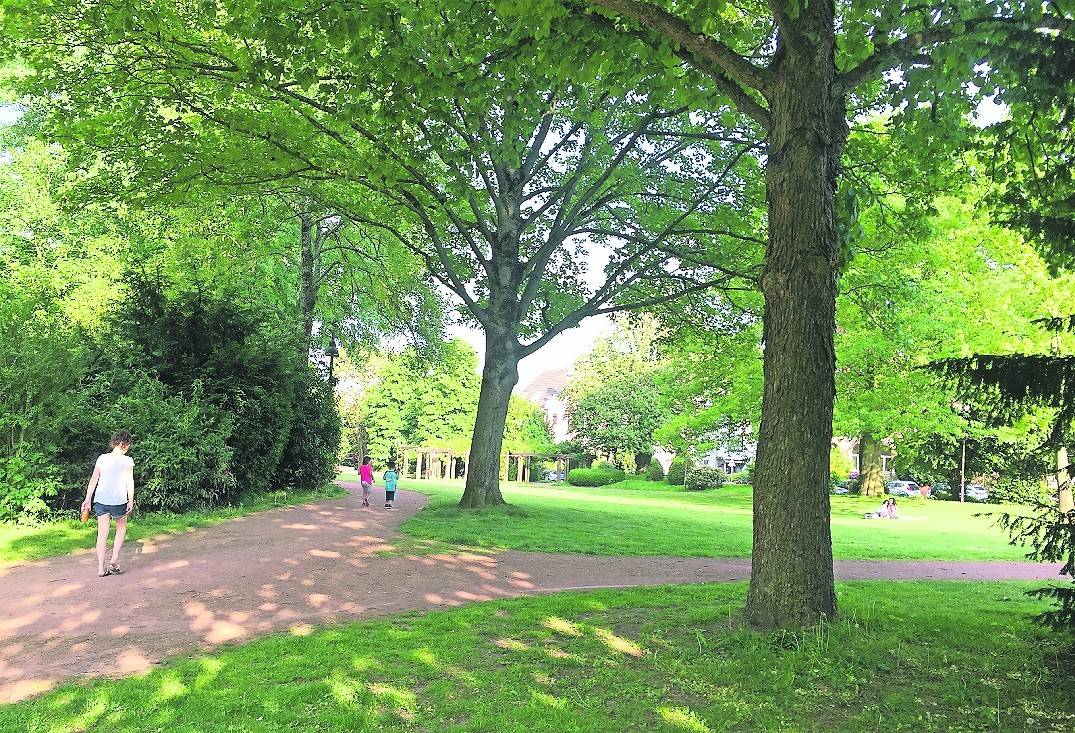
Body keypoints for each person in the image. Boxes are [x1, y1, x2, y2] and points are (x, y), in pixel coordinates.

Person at [81, 430, 135, 577]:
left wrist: (87, 499)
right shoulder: (127, 461)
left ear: (114, 442)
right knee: (121, 528)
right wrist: (131, 500)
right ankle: (114, 560)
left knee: (102, 533)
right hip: (119, 499)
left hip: (101, 499)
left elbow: (94, 479)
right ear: (126, 444)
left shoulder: (102, 458)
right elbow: (129, 482)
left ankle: (100, 568)